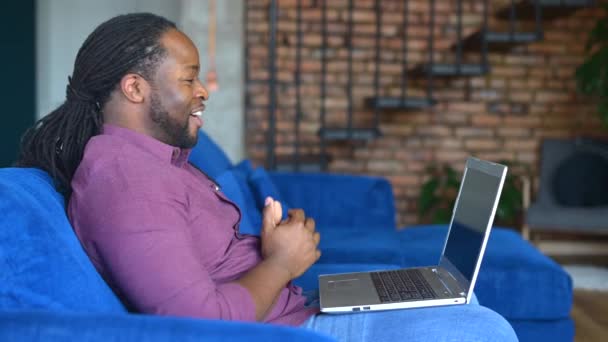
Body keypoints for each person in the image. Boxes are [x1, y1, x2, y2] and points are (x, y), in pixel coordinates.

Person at [18, 13, 517, 341]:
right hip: (290, 331)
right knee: (482, 329)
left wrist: (273, 250)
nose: (201, 91)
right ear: (134, 88)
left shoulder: (153, 163)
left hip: (295, 314)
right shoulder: (127, 184)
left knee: (460, 297)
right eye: (188, 78)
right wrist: (281, 262)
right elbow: (198, 325)